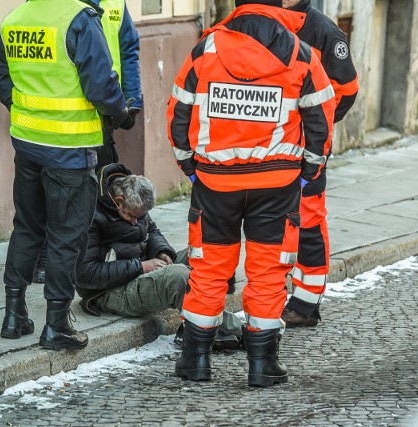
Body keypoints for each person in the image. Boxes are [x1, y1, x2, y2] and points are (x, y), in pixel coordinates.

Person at [166, 0, 335, 386]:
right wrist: (307, 172)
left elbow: (178, 112)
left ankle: (195, 360)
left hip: (214, 183)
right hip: (276, 186)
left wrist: (189, 167)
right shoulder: (302, 54)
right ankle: (262, 365)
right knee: (268, 273)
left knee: (208, 270)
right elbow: (321, 122)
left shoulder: (205, 51)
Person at [0, 0, 130, 351]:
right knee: (65, 236)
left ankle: (14, 314)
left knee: (26, 226)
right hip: (69, 150)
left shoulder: (14, 19)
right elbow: (101, 86)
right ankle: (56, 325)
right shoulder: (79, 19)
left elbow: (6, 88)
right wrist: (119, 110)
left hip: (27, 145)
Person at [32, 0, 143, 285]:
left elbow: (128, 49)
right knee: (56, 190)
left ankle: (89, 257)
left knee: (98, 190)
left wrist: (131, 101)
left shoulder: (116, 3)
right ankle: (46, 257)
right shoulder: (65, 6)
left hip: (104, 114)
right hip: (65, 116)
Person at [75, 164, 243, 349]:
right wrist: (141, 266)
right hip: (109, 292)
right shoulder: (90, 216)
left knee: (204, 256)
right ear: (119, 201)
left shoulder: (134, 205)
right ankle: (237, 329)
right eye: (132, 216)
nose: (136, 221)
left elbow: (152, 230)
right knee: (179, 277)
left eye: (141, 217)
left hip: (139, 269)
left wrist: (162, 252)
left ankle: (199, 324)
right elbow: (84, 274)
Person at [280, 0, 359, 328]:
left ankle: (306, 303)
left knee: (308, 222)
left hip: (308, 149)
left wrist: (316, 125)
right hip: (271, 149)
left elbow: (348, 90)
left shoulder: (325, 32)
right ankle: (273, 293)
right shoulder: (263, 22)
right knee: (273, 222)